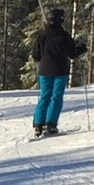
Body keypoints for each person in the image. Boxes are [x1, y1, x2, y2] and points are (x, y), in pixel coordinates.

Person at [30, 9, 87, 137]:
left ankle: (38, 125)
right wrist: (82, 48)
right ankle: (51, 124)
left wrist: (42, 59)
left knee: (44, 96)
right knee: (56, 97)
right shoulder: (64, 35)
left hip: (45, 71)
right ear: (60, 20)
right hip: (60, 71)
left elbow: (35, 55)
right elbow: (72, 53)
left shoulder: (42, 35)